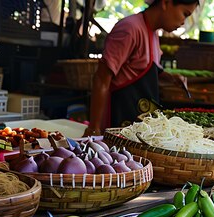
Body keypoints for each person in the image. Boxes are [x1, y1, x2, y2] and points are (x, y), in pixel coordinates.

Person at [84, 0, 199, 135]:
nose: (183, 22)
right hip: (115, 124)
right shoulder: (130, 28)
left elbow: (140, 70)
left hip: (136, 129)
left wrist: (169, 78)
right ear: (165, 3)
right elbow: (101, 79)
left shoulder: (153, 33)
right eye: (185, 14)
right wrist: (94, 128)